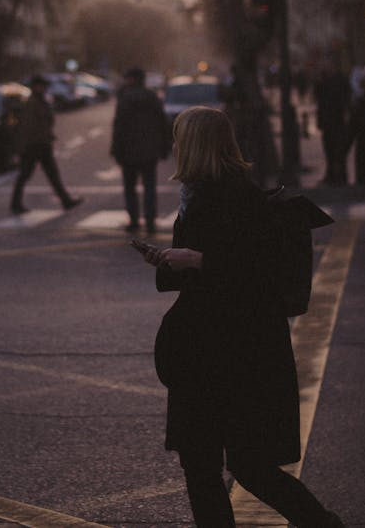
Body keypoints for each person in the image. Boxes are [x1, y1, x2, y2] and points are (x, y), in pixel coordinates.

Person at [136, 106, 345, 528]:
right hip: (217, 351)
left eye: (179, 138)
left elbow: (256, 275)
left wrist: (196, 260)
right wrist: (173, 262)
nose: (174, 146)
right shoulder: (202, 193)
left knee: (240, 466)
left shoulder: (234, 197)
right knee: (217, 465)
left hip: (231, 353)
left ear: (194, 146)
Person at [10, 75, 83, 214]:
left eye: (45, 86)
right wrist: (23, 147)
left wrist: (49, 136)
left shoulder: (41, 100)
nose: (45, 88)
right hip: (34, 145)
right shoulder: (33, 103)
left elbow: (44, 123)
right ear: (35, 86)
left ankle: (65, 200)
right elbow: (28, 126)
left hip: (42, 144)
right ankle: (16, 203)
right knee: (26, 175)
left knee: (51, 175)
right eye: (42, 85)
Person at [111, 67, 171, 234]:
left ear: (131, 79)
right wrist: (165, 146)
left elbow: (119, 125)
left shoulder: (124, 98)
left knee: (130, 187)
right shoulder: (152, 97)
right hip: (149, 150)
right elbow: (163, 123)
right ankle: (150, 221)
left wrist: (116, 148)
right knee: (149, 187)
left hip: (128, 150)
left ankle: (134, 220)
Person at [314, 61, 351, 185]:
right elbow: (318, 98)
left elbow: (345, 98)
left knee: (338, 150)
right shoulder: (323, 80)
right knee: (329, 150)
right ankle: (331, 175)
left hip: (337, 121)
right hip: (327, 122)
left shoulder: (340, 80)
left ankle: (340, 177)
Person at [345, 75, 365, 185]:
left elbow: (352, 128)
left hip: (363, 144)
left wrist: (345, 148)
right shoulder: (360, 103)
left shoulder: (360, 103)